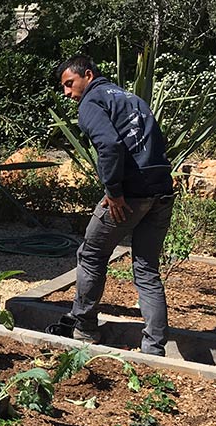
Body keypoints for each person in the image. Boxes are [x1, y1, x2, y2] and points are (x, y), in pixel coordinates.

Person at [57, 55, 175, 356]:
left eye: (70, 84)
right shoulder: (130, 97)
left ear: (87, 74)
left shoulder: (91, 102)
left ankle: (84, 329)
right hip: (161, 190)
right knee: (147, 269)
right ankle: (154, 349)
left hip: (130, 194)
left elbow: (109, 145)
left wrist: (114, 191)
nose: (68, 93)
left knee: (92, 254)